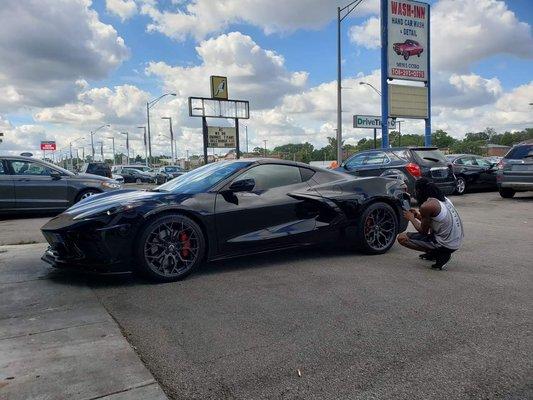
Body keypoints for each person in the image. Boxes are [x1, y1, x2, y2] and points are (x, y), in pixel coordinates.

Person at [397, 178, 464, 270]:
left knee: (402, 238)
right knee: (433, 230)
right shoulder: (443, 200)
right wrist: (417, 216)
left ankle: (440, 253)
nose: (414, 193)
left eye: (415, 190)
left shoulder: (427, 206)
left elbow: (423, 231)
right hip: (456, 241)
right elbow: (435, 221)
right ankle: (434, 253)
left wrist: (411, 218)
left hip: (446, 244)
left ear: (419, 191)